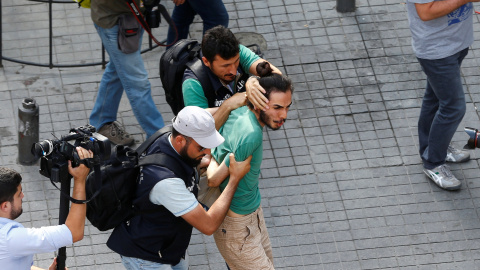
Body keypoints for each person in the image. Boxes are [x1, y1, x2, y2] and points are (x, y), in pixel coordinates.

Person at [106, 106, 252, 270]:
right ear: (181, 140)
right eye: (201, 147)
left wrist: (233, 103)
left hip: (169, 248)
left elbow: (204, 115)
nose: (207, 152)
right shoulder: (165, 182)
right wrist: (234, 179)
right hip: (147, 258)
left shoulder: (168, 135)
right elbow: (208, 225)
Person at [206, 69, 293, 270]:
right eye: (277, 107)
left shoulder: (237, 109)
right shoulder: (251, 134)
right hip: (238, 228)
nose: (284, 115)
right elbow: (213, 179)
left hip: (252, 216)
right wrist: (209, 157)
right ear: (259, 101)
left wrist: (252, 80)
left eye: (288, 107)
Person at [406, 0, 478, 190]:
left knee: (435, 98)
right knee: (454, 107)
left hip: (457, 42)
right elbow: (425, 12)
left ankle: (434, 148)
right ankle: (433, 163)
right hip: (437, 52)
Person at [0, 147, 93, 270]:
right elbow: (73, 232)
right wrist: (80, 179)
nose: (23, 196)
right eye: (19, 194)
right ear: (5, 206)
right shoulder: (10, 238)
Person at [89, 0, 165, 146]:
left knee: (117, 70)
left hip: (133, 16)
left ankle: (101, 122)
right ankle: (159, 138)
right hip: (115, 19)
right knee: (138, 82)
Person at [182, 25, 283, 130]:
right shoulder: (193, 84)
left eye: (236, 62)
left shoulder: (238, 52)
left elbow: (277, 78)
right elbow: (200, 131)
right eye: (225, 66)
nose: (233, 71)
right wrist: (228, 105)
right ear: (206, 61)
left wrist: (253, 80)